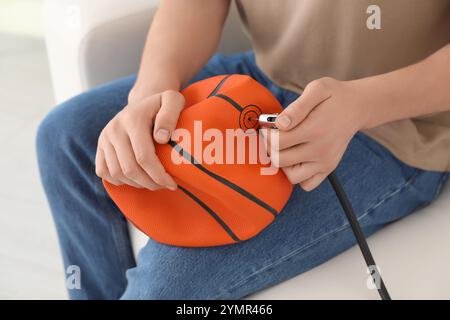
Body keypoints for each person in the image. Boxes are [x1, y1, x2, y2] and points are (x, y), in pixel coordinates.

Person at [36, 0, 450, 299]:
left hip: (393, 126)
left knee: (168, 284)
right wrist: (149, 94)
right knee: (66, 139)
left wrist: (362, 105)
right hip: (263, 78)